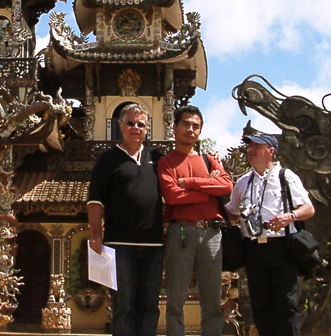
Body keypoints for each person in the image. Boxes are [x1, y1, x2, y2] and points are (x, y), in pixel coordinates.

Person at [225, 129, 315, 336]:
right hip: (253, 249)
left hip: (282, 247)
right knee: (260, 306)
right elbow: (232, 212)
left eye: (257, 146)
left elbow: (308, 209)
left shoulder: (285, 177)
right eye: (250, 146)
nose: (251, 150)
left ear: (271, 151)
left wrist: (289, 216)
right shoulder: (243, 182)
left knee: (286, 306)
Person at [88, 103, 164, 336]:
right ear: (120, 126)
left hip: (153, 245)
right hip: (120, 245)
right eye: (130, 123)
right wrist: (96, 234)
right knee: (124, 306)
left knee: (150, 306)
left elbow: (178, 183)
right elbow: (95, 201)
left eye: (141, 124)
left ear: (147, 129)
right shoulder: (108, 160)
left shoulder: (158, 158)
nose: (135, 128)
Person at [158, 105, 233, 336]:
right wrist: (208, 189)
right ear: (174, 127)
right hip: (181, 232)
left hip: (211, 233)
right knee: (175, 300)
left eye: (196, 126)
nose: (191, 129)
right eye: (186, 124)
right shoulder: (166, 162)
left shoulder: (209, 159)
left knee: (212, 301)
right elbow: (172, 196)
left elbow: (226, 186)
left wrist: (190, 183)